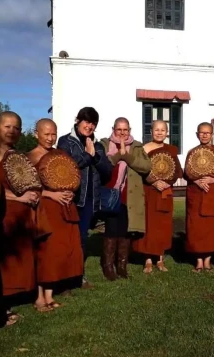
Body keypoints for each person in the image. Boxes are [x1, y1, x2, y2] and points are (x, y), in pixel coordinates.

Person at [0, 111, 39, 322]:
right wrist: (20, 198)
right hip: (1, 214)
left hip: (21, 216)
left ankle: (7, 301)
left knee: (17, 258)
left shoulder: (16, 154)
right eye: (7, 126)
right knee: (1, 259)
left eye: (16, 127)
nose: (12, 131)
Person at [27, 119, 84, 308]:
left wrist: (70, 191)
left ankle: (50, 295)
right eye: (46, 134)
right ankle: (39, 297)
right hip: (43, 208)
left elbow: (71, 177)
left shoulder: (59, 156)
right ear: (36, 134)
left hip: (63, 208)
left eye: (53, 134)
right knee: (45, 251)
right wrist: (52, 193)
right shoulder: (30, 158)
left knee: (57, 251)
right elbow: (25, 188)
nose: (51, 138)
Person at [57, 107, 112, 289]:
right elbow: (67, 168)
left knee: (82, 238)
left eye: (93, 123)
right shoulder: (66, 141)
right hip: (72, 198)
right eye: (86, 121)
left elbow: (107, 172)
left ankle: (78, 275)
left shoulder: (97, 145)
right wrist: (87, 156)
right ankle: (66, 277)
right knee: (68, 238)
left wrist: (95, 156)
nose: (89, 126)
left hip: (90, 199)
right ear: (77, 120)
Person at [98, 117, 151, 280]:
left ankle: (122, 265)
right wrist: (117, 156)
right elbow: (101, 167)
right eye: (119, 129)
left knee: (125, 231)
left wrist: (126, 155)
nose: (122, 133)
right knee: (111, 230)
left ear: (130, 130)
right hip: (111, 194)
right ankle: (108, 265)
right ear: (113, 129)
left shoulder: (136, 146)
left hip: (130, 194)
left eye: (125, 130)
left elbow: (146, 166)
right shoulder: (104, 144)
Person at [135, 120, 183, 273]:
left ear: (167, 132)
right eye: (157, 130)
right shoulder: (144, 149)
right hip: (149, 191)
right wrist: (153, 182)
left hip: (165, 192)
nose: (160, 132)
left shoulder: (171, 150)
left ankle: (160, 259)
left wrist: (168, 182)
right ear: (151, 131)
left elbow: (176, 171)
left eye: (163, 130)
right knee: (149, 224)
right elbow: (138, 171)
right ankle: (148, 259)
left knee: (163, 225)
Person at [184, 122, 214, 272]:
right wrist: (196, 180)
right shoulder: (192, 152)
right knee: (195, 227)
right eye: (201, 133)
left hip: (212, 194)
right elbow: (187, 172)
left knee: (212, 228)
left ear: (212, 135)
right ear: (197, 134)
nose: (204, 135)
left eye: (207, 133)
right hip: (195, 195)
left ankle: (208, 261)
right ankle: (198, 261)